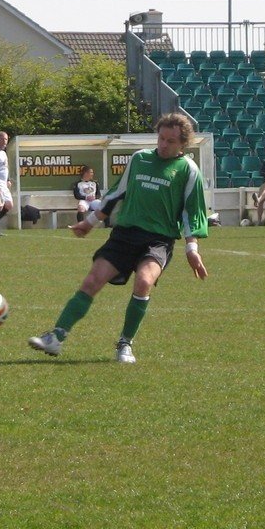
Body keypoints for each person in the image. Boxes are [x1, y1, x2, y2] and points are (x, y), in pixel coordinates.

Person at [28, 113, 209, 364]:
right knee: (93, 280)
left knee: (144, 282)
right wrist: (90, 222)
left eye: (171, 141)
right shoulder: (140, 159)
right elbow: (116, 195)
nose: (163, 144)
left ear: (183, 144)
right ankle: (56, 336)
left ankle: (125, 344)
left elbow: (192, 211)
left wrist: (192, 249)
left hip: (158, 240)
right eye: (161, 138)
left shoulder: (188, 170)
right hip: (125, 235)